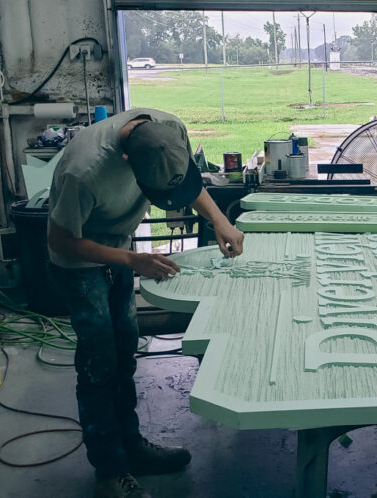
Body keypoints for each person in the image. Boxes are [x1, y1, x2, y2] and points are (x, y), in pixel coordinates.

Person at [47, 108, 245, 498]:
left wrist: (219, 220)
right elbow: (61, 241)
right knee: (98, 363)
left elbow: (185, 180)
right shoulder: (82, 170)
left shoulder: (169, 129)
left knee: (125, 352)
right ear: (126, 162)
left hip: (120, 249)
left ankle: (131, 447)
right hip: (79, 261)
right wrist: (133, 260)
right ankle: (109, 471)